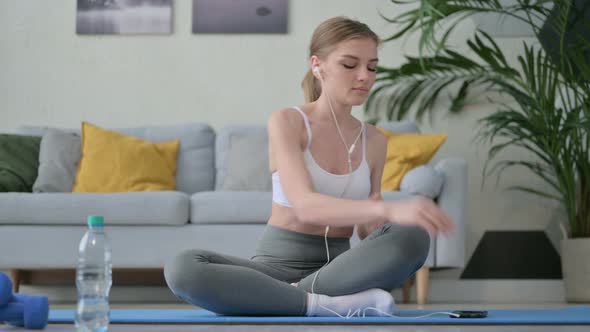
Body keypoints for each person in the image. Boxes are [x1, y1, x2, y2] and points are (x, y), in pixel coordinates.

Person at [164, 16, 455, 317]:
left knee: (413, 236)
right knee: (182, 267)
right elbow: (304, 206)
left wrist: (403, 225)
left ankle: (282, 300)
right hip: (272, 267)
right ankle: (320, 303)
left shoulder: (375, 140)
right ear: (318, 66)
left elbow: (368, 228)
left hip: (341, 271)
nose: (364, 76)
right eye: (349, 64)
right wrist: (388, 209)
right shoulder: (288, 122)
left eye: (372, 67)